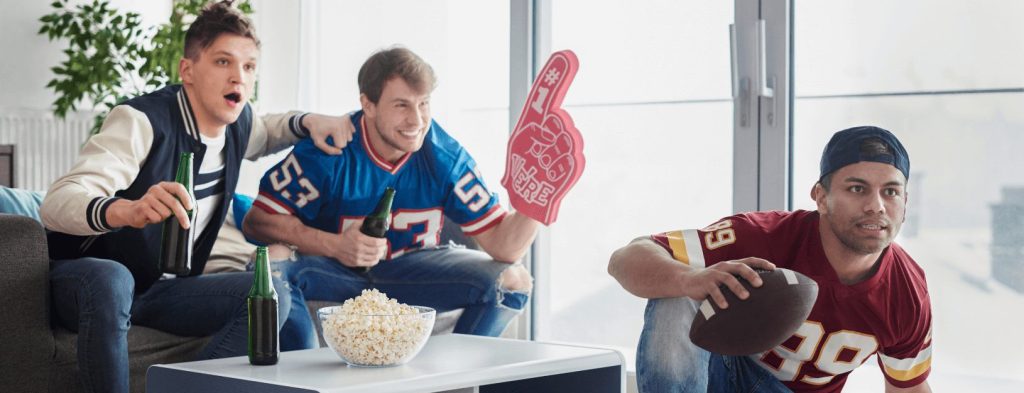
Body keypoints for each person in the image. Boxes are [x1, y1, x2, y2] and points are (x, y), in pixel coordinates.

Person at [39, 2, 354, 392]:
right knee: (113, 276)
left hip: (158, 289)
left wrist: (306, 121)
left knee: (266, 295)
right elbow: (56, 203)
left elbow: (269, 131)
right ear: (187, 70)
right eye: (223, 62)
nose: (239, 77)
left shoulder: (238, 124)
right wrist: (127, 209)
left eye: (249, 66)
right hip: (89, 281)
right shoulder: (141, 121)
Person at [242, 47, 538, 350]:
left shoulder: (444, 157)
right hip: (333, 272)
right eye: (401, 105)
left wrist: (539, 200)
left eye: (423, 103)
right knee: (269, 262)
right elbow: (256, 223)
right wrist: (335, 244)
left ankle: (456, 373)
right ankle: (302, 370)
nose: (416, 120)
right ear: (367, 105)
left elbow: (505, 247)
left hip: (414, 273)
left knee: (513, 281)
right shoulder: (330, 150)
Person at [608, 126, 932, 393]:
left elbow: (909, 389)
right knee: (677, 292)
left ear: (905, 202)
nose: (876, 206)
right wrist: (689, 279)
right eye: (857, 188)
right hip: (718, 373)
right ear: (821, 197)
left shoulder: (907, 292)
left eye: (890, 192)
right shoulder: (762, 236)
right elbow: (625, 258)